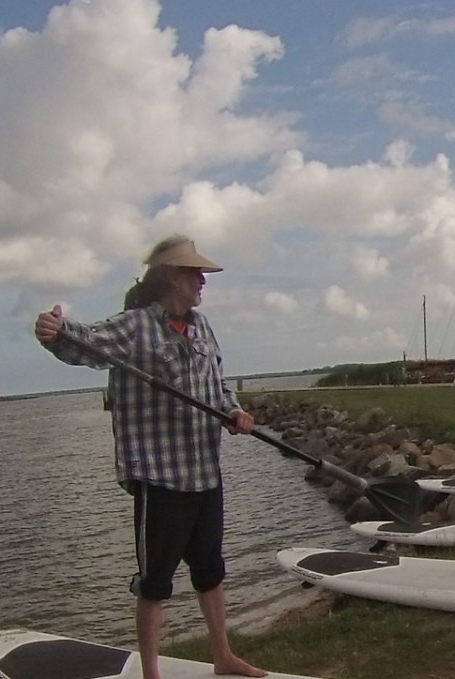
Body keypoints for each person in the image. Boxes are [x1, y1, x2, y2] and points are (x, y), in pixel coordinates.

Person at [32, 235, 266, 679]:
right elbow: (82, 343)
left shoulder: (202, 327)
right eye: (196, 274)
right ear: (172, 278)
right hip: (161, 480)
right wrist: (53, 330)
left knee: (211, 571)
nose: (202, 282)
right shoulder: (136, 326)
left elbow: (218, 385)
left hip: (206, 474)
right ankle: (151, 674)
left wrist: (233, 412)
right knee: (155, 583)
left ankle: (223, 657)